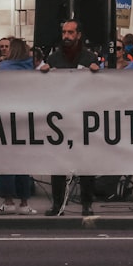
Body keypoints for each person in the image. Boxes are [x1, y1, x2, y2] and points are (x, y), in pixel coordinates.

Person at [39, 19, 99, 216]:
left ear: (78, 35)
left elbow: (101, 87)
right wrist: (43, 72)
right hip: (60, 119)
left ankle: (87, 204)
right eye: (64, 32)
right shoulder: (54, 58)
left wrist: (97, 73)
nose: (66, 36)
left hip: (83, 118)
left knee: (85, 163)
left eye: (70, 33)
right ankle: (58, 205)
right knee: (58, 164)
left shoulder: (89, 57)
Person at [0, 38, 38, 215]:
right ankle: (24, 203)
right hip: (26, 119)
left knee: (6, 161)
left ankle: (8, 201)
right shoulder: (32, 67)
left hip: (6, 118)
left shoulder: (3, 68)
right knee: (23, 161)